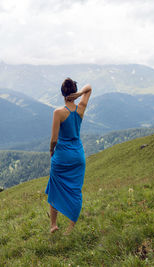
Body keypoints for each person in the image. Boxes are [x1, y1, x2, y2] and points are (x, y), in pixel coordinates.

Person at [45, 78, 92, 235]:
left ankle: (53, 225)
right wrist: (78, 95)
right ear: (74, 91)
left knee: (55, 188)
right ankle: (70, 228)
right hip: (78, 156)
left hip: (62, 156)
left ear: (62, 93)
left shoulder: (58, 113)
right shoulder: (80, 109)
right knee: (75, 190)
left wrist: (52, 152)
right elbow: (89, 88)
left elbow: (54, 140)